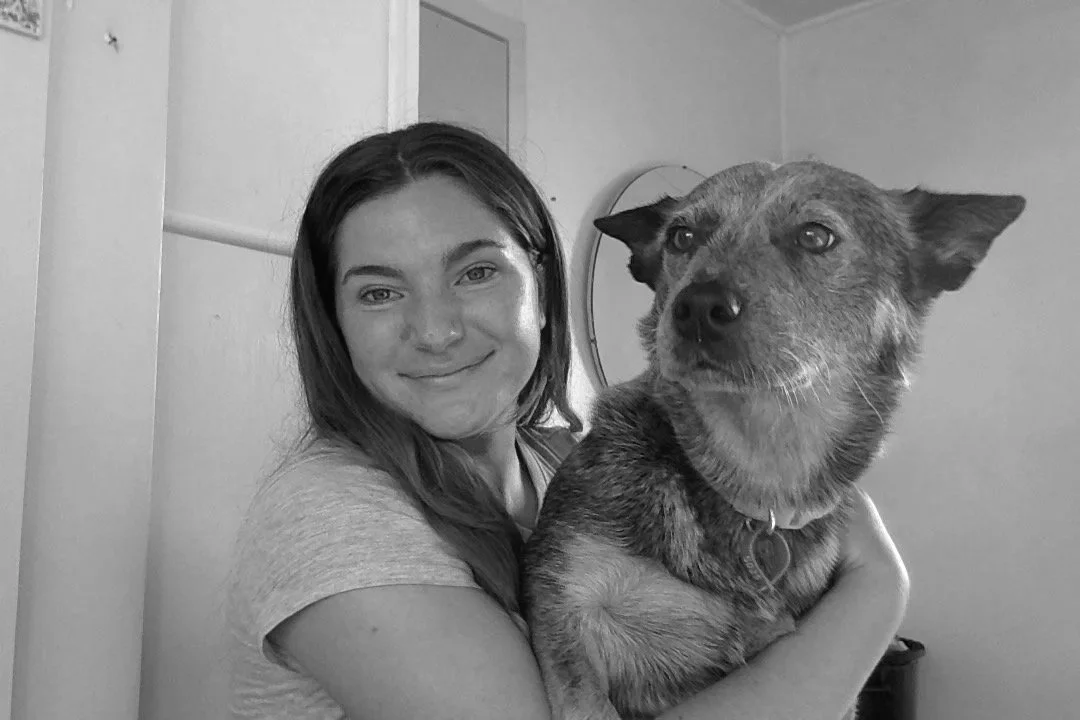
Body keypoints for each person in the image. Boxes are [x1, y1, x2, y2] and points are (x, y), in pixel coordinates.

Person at [226, 121, 909, 720]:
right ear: (334, 324)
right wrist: (877, 593)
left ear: (543, 290)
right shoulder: (331, 516)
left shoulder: (562, 466)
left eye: (475, 274)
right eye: (379, 292)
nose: (434, 330)